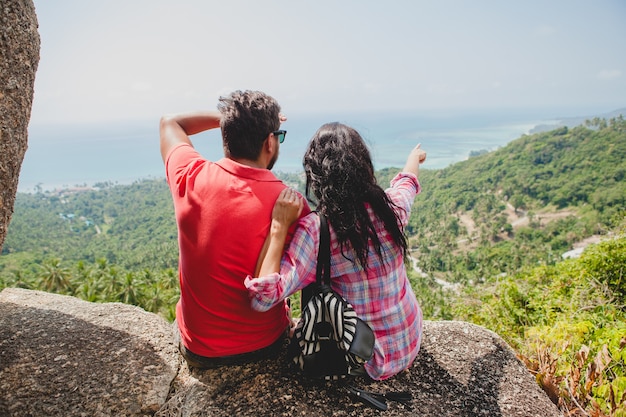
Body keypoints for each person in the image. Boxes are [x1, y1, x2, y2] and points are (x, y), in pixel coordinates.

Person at [245, 122, 426, 380]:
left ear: (317, 175)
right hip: (408, 343)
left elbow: (263, 299)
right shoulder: (391, 209)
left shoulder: (318, 231)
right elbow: (407, 184)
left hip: (365, 357)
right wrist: (414, 159)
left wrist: (279, 226)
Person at [160, 90, 310, 368]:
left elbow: (171, 123)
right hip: (266, 344)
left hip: (197, 347)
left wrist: (233, 120)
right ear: (269, 143)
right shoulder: (291, 204)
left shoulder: (191, 176)